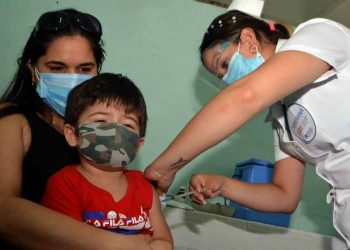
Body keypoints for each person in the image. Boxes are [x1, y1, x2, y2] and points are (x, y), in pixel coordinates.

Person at [144, 9, 350, 249]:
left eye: (224, 64)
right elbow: (284, 196)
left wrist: (164, 168)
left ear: (249, 40)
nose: (227, 79)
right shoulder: (281, 115)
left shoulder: (318, 34)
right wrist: (224, 185)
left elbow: (246, 96)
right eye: (220, 77)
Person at [0, 9, 154, 249]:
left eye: (84, 69)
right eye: (58, 68)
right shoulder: (13, 123)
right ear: (33, 70)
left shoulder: (107, 132)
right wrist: (116, 245)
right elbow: (3, 211)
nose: (72, 79)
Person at [41, 73, 173, 249]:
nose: (115, 131)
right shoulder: (64, 185)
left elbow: (165, 243)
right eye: (101, 120)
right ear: (73, 135)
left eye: (127, 125)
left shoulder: (144, 187)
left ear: (138, 144)